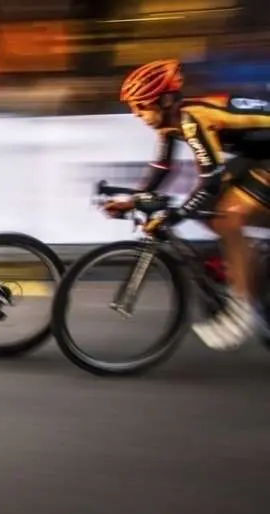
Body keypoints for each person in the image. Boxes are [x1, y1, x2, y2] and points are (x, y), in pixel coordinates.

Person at [107, 58, 270, 351]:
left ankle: (241, 311)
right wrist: (133, 200)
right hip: (258, 151)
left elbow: (211, 181)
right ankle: (248, 260)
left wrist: (175, 215)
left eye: (141, 106)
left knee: (230, 214)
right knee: (212, 211)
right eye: (133, 107)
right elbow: (161, 168)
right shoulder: (170, 122)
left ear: (166, 100)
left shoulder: (192, 119)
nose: (136, 114)